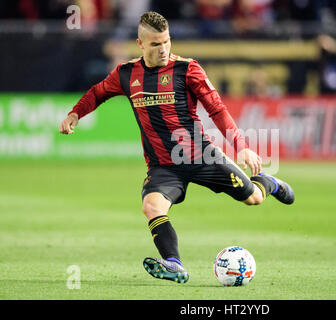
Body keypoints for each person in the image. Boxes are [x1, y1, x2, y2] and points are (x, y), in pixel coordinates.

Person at [59, 11, 294, 284]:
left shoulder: (187, 69)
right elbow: (97, 92)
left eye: (167, 42)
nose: (163, 49)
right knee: (151, 206)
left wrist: (240, 147)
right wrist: (75, 113)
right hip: (163, 166)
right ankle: (174, 264)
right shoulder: (126, 74)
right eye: (156, 44)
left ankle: (269, 183)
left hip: (202, 157)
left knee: (252, 197)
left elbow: (216, 109)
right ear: (141, 44)